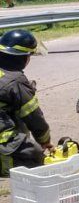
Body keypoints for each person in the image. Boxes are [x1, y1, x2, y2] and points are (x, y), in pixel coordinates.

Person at [0, 29, 52, 176]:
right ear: (23, 58)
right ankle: (6, 168)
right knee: (35, 157)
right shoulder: (15, 80)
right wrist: (45, 141)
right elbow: (34, 117)